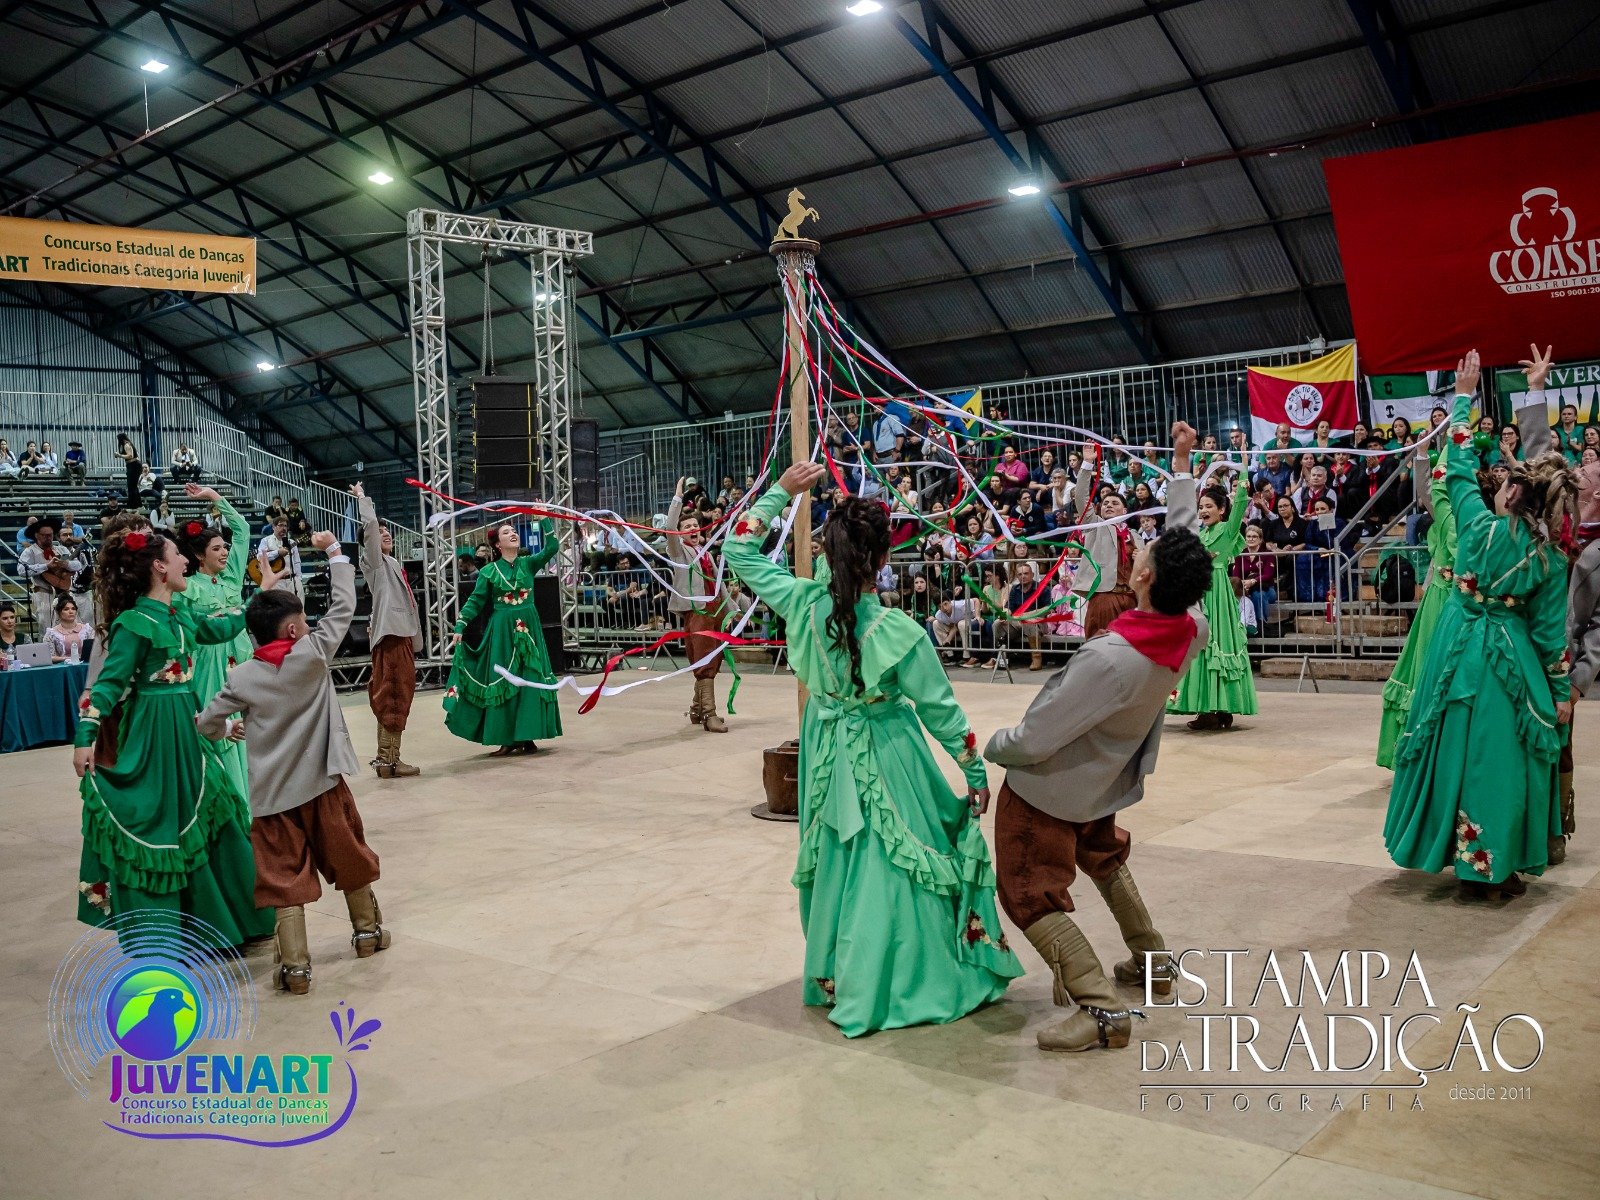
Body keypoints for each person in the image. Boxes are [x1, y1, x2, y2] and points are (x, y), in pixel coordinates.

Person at [723, 462, 1022, 1038]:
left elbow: (740, 554)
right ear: (883, 560)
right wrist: (975, 775)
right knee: (891, 862)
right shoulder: (898, 632)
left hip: (826, 750)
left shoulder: (801, 604)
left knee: (840, 857)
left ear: (828, 553)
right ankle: (897, 980)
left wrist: (779, 494)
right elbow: (943, 713)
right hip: (889, 750)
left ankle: (840, 974)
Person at [984, 420, 1214, 1053]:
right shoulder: (1187, 626)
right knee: (1105, 859)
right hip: (1107, 779)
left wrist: (992, 747)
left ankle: (1099, 1006)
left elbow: (1035, 737)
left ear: (1141, 579)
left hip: (1050, 790)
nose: (1140, 551)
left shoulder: (1111, 659)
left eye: (1143, 554)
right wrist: (1181, 465)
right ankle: (1153, 962)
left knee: (1028, 890)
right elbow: (1184, 538)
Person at [1384, 351, 1575, 902]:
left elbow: (1456, 467)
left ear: (1510, 494)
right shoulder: (1547, 559)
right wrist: (1558, 692)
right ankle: (1498, 865)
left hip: (1457, 644)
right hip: (1510, 653)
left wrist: (1463, 398)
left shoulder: (1474, 526)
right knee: (1501, 756)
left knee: (1451, 746)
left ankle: (1449, 850)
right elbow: (1548, 636)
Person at [197, 531, 387, 995]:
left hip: (272, 798)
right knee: (349, 856)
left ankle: (296, 968)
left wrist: (227, 730)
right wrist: (335, 553)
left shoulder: (239, 677)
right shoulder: (312, 654)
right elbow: (344, 606)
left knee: (283, 877)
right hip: (322, 784)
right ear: (292, 630)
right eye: (304, 620)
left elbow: (205, 723)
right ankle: (366, 934)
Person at [70, 528, 273, 947]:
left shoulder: (178, 615)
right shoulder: (133, 623)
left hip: (186, 725)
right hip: (154, 730)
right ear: (160, 567)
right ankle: (164, 933)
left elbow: (222, 627)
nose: (184, 561)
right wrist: (85, 736)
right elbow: (107, 685)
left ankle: (227, 923)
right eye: (177, 555)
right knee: (163, 822)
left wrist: (261, 595)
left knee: (215, 813)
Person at [445, 519, 564, 755]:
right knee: (503, 680)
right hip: (502, 629)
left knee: (530, 675)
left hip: (529, 627)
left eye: (514, 531)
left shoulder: (528, 563)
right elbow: (476, 600)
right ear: (497, 544)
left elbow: (552, 548)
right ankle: (506, 738)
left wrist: (544, 520)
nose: (513, 534)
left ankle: (527, 735)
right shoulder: (489, 571)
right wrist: (460, 625)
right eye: (506, 532)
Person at [174, 484, 257, 812]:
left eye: (225, 547)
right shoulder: (186, 587)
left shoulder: (233, 576)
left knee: (246, 733)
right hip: (208, 664)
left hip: (243, 663)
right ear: (198, 555)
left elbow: (243, 528)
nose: (225, 553)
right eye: (217, 549)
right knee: (220, 728)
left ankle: (249, 803)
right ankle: (227, 806)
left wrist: (213, 497)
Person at [1377, 444, 1456, 771]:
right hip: (1438, 598)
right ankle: (1422, 751)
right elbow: (1429, 492)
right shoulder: (1449, 514)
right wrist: (1424, 457)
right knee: (1423, 669)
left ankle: (1441, 754)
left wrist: (1449, 441)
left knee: (1438, 672)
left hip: (1453, 601)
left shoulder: (1465, 519)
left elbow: (1432, 490)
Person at [1168, 477, 1257, 730]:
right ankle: (1207, 708)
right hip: (1199, 592)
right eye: (1201, 506)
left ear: (1221, 510)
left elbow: (1239, 506)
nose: (1204, 510)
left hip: (1217, 594)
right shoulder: (1200, 534)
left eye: (1209, 506)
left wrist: (1241, 481)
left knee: (1216, 645)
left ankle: (1219, 708)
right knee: (1198, 646)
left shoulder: (1227, 530)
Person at [354, 484, 423, 777]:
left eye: (387, 529)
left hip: (402, 635)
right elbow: (369, 526)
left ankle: (390, 759)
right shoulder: (375, 563)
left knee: (399, 695)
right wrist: (362, 498)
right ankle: (387, 761)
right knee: (393, 696)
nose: (385, 532)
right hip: (392, 636)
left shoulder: (393, 562)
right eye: (380, 531)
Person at [666, 477, 731, 733]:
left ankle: (697, 708)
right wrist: (677, 498)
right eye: (688, 526)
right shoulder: (679, 552)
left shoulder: (706, 555)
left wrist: (731, 611)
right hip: (697, 612)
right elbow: (671, 527)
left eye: (695, 525)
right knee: (705, 660)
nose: (693, 528)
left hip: (713, 610)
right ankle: (709, 713)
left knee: (715, 657)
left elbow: (719, 585)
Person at [1072, 467, 1137, 637]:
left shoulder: (1135, 536)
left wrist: (1141, 558)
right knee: (1100, 644)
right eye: (1105, 503)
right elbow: (1080, 497)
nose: (1108, 505)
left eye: (1115, 503)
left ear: (1125, 511)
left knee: (1131, 649)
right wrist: (1086, 465)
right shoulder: (1095, 525)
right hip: (1105, 596)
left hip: (1131, 598)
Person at [17, 516, 88, 635]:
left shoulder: (61, 549)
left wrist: (66, 564)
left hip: (65, 593)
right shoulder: (29, 552)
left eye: (50, 535)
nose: (48, 538)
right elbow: (21, 570)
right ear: (36, 535)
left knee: (72, 626)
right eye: (44, 535)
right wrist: (46, 566)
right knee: (47, 629)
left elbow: (78, 565)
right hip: (44, 594)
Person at [1230, 524, 1278, 634]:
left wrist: (1253, 581)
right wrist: (1242, 583)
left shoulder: (1267, 554)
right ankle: (1239, 627)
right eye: (1248, 536)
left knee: (1258, 595)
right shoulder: (1240, 554)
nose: (1251, 539)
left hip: (1267, 589)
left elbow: (1268, 575)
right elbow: (1236, 574)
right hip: (1245, 588)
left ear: (1260, 539)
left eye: (1254, 536)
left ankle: (1261, 625)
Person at [257, 517, 304, 598]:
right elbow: (260, 557)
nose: (284, 528)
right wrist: (277, 552)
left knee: (297, 607)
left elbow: (297, 562)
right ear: (273, 527)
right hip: (275, 582)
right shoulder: (266, 540)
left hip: (292, 580)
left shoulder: (291, 542)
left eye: (285, 526)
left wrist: (299, 578)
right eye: (280, 525)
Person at [43, 595, 90, 663]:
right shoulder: (51, 633)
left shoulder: (87, 629)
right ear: (59, 612)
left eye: (73, 609)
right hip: (63, 667)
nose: (71, 612)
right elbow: (49, 656)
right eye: (66, 609)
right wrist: (67, 658)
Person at [114, 432, 141, 504]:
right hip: (133, 465)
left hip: (133, 465)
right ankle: (137, 504)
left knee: (132, 486)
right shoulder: (129, 444)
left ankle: (133, 504)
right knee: (133, 485)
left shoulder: (126, 444)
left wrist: (119, 455)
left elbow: (130, 456)